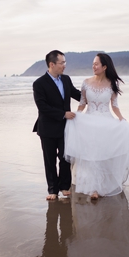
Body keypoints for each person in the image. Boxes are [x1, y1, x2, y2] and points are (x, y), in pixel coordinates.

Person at [64, 53, 129, 199]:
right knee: (90, 156)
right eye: (93, 63)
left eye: (96, 64)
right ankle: (93, 189)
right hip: (89, 123)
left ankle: (102, 187)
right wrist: (76, 116)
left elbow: (114, 106)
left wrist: (121, 118)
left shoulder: (112, 84)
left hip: (106, 125)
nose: (93, 66)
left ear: (104, 67)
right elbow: (82, 104)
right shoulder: (86, 82)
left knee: (103, 157)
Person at [33, 50, 82, 200]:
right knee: (50, 159)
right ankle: (53, 189)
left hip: (65, 127)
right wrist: (63, 114)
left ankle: (64, 186)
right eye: (62, 63)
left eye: (64, 62)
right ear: (52, 64)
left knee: (65, 157)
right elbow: (42, 107)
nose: (64, 66)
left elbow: (77, 94)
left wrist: (97, 95)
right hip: (47, 127)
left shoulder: (66, 79)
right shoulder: (39, 83)